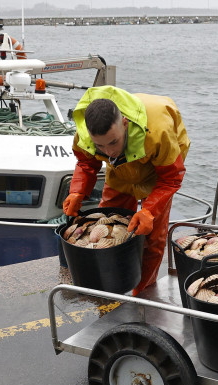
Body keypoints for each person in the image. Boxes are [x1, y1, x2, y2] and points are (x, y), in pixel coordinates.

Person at [62, 86, 189, 296]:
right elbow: (86, 163)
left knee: (152, 236)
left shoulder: (159, 133)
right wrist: (77, 191)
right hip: (119, 169)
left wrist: (148, 210)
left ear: (124, 123)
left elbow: (171, 178)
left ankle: (143, 292)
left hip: (158, 171)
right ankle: (110, 284)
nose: (109, 151)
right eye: (100, 146)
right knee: (108, 221)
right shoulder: (85, 134)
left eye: (113, 142)